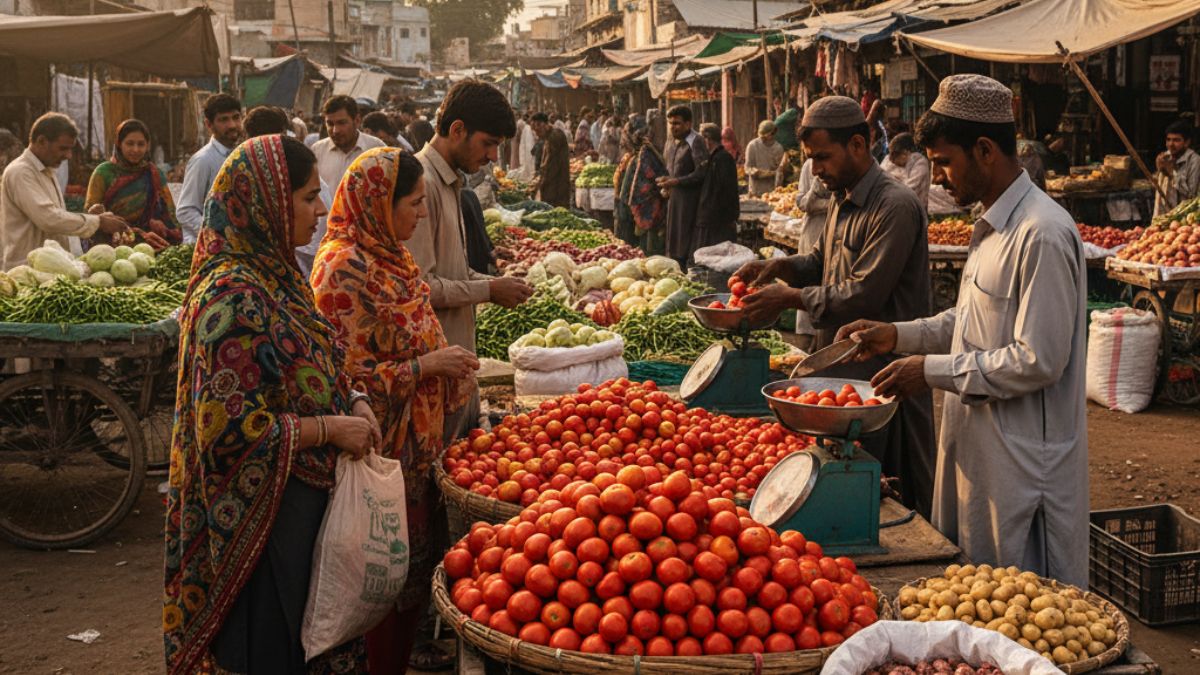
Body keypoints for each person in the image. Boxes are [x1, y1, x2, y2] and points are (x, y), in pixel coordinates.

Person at [839, 75, 1088, 585]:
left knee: (1024, 605)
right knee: (977, 592)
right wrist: (897, 335)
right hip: (980, 449)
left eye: (947, 163)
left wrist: (929, 371)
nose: (940, 179)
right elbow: (969, 322)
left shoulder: (1041, 233)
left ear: (984, 150)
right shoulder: (991, 226)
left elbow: (1037, 359)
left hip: (1023, 465)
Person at [163, 134, 380, 675]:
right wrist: (330, 429)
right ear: (267, 204)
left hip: (300, 509)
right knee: (271, 647)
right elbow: (231, 432)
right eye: (307, 197)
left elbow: (319, 352)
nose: (320, 209)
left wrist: (352, 396)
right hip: (261, 526)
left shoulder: (277, 275)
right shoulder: (231, 297)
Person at [312, 148, 480, 675]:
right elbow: (341, 379)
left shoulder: (395, 259)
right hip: (377, 454)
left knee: (408, 577)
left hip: (416, 451)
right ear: (377, 205)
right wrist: (426, 365)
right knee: (378, 582)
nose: (421, 213)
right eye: (411, 202)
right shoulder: (343, 269)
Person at [733, 96, 936, 520]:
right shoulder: (842, 198)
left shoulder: (894, 205)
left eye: (823, 158)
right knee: (849, 486)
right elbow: (819, 263)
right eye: (811, 159)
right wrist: (780, 266)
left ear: (859, 146)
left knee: (891, 492)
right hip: (844, 373)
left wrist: (789, 298)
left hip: (882, 376)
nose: (816, 170)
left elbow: (863, 294)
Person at [410, 80, 532, 429]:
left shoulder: (450, 183)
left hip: (457, 364)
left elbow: (455, 270)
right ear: (458, 129)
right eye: (489, 143)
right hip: (435, 369)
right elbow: (420, 288)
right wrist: (489, 290)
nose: (493, 156)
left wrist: (494, 283)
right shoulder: (422, 185)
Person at [1, 113, 128, 269]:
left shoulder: (46, 170)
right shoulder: (20, 172)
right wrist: (98, 222)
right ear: (41, 141)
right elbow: (49, 219)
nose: (68, 155)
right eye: (63, 148)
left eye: (70, 149)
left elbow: (57, 216)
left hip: (49, 267)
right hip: (26, 270)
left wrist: (92, 217)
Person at [243, 105, 334, 277]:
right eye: (309, 199)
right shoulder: (244, 280)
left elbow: (315, 248)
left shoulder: (302, 176)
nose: (322, 210)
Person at [84, 119, 180, 250]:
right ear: (119, 144)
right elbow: (90, 215)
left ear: (147, 146)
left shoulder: (154, 174)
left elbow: (170, 215)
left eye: (141, 144)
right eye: (129, 143)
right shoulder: (103, 172)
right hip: (112, 244)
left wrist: (157, 222)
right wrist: (97, 213)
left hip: (150, 244)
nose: (135, 149)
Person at [177, 93, 243, 243]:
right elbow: (185, 211)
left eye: (236, 117)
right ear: (209, 125)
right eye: (223, 120)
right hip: (208, 249)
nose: (232, 125)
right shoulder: (203, 160)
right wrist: (217, 234)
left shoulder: (242, 155)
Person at [658, 105, 707, 268]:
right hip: (674, 197)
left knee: (686, 239)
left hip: (690, 200)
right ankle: (674, 267)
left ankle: (687, 270)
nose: (673, 127)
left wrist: (676, 181)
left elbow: (701, 173)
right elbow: (670, 168)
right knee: (673, 238)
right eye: (671, 123)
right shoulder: (670, 141)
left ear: (688, 124)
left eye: (677, 123)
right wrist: (668, 180)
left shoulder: (696, 141)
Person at [614, 115, 668, 254]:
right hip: (640, 213)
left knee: (640, 249)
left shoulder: (645, 155)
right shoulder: (638, 155)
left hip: (642, 213)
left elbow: (633, 193)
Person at [313, 96, 387, 192]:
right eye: (330, 124)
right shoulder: (317, 151)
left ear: (357, 121)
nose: (335, 131)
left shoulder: (377, 149)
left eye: (342, 123)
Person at [695, 123, 739, 251]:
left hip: (719, 221)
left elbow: (726, 192)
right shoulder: (714, 158)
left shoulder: (722, 159)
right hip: (714, 219)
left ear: (707, 139)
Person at [1153, 120, 1200, 216]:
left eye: (1176, 140)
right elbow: (1159, 189)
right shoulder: (1166, 156)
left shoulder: (1194, 160)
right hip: (1164, 215)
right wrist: (1159, 170)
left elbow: (1191, 195)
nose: (1170, 144)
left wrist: (1171, 173)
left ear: (1187, 142)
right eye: (1168, 139)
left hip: (1184, 217)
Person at [530, 112, 571, 207]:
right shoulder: (550, 136)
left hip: (556, 187)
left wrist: (539, 183)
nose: (537, 134)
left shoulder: (554, 136)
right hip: (553, 186)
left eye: (538, 130)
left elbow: (548, 165)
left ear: (543, 124)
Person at [880, 132, 931, 206]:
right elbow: (879, 182)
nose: (892, 160)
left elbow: (909, 191)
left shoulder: (920, 163)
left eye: (894, 156)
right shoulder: (888, 159)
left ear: (905, 153)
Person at [744, 120, 785, 196]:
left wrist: (778, 185)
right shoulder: (752, 146)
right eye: (762, 136)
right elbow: (747, 167)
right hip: (755, 190)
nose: (767, 138)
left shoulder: (778, 148)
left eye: (770, 135)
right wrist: (755, 172)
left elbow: (780, 170)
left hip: (772, 190)